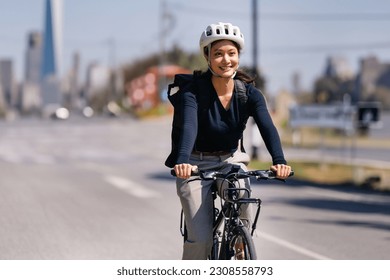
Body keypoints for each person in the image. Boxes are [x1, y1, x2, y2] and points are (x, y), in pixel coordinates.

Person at [171, 22, 292, 260]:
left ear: (238, 56)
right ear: (207, 57)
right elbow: (188, 127)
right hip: (195, 163)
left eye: (231, 53)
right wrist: (183, 161)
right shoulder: (192, 92)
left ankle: (239, 245)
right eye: (218, 54)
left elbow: (267, 127)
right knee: (201, 239)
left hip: (230, 158)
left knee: (243, 199)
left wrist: (280, 161)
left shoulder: (249, 94)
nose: (225, 60)